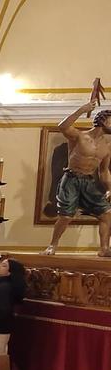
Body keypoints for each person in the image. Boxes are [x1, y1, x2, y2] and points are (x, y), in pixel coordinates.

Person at [44, 87, 111, 255]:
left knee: (106, 215)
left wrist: (109, 187)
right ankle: (52, 245)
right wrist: (82, 109)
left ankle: (104, 249)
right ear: (103, 120)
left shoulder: (107, 147)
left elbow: (103, 171)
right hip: (71, 178)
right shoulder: (80, 136)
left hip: (89, 182)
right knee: (66, 216)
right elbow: (63, 126)